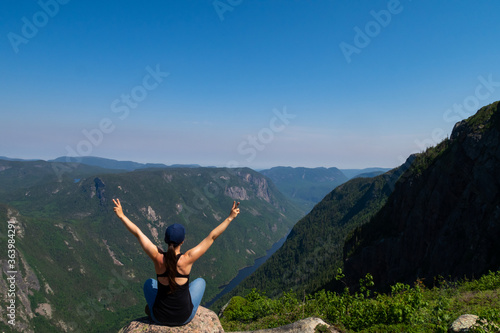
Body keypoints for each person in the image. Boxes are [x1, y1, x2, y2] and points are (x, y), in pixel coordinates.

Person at [112, 198, 240, 326]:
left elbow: (138, 233)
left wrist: (122, 216)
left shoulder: (157, 256)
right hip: (184, 317)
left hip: (159, 317)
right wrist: (230, 217)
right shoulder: (187, 258)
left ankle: (152, 308)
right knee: (200, 282)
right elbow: (212, 236)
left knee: (149, 283)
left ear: (166, 240)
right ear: (182, 241)